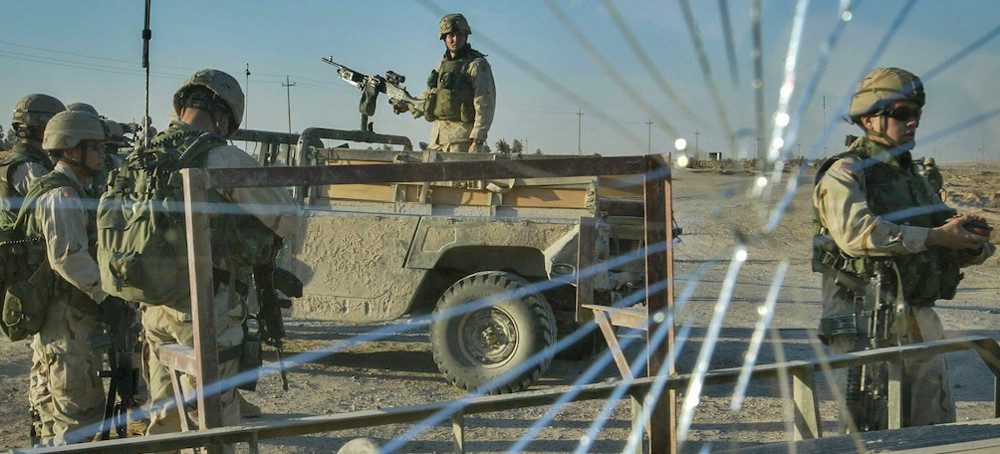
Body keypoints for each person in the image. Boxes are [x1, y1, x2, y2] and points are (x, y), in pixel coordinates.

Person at [812, 67, 994, 431]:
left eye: (916, 114)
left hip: (918, 320)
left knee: (933, 430)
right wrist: (938, 236)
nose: (912, 122)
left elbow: (944, 233)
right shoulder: (845, 172)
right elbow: (856, 235)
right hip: (866, 323)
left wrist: (970, 242)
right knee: (873, 435)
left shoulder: (911, 178)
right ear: (868, 118)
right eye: (900, 113)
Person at [139, 69, 298, 451]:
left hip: (153, 306)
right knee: (215, 428)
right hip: (205, 310)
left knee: (166, 420)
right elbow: (288, 217)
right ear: (223, 116)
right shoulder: (221, 156)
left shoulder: (145, 156)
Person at [25, 110, 128, 445]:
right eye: (94, 147)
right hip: (65, 319)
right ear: (71, 150)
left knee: (61, 414)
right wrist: (107, 294)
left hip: (67, 316)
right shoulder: (62, 196)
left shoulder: (74, 190)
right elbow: (68, 258)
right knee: (78, 415)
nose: (102, 154)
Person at [394, 13, 496, 153]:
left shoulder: (476, 65)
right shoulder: (443, 64)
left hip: (461, 140)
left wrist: (478, 139)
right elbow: (433, 95)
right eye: (451, 36)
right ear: (444, 39)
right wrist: (406, 104)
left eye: (459, 35)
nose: (455, 39)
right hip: (437, 139)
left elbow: (485, 104)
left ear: (466, 36)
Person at [1, 94, 65, 225]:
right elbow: (59, 206)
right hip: (25, 238)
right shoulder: (27, 168)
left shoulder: (25, 161)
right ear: (44, 128)